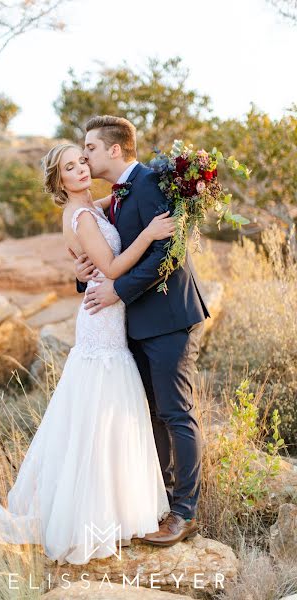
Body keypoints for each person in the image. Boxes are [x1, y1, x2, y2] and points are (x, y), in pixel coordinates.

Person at [0, 142, 179, 565]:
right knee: (99, 410)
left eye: (83, 160)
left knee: (101, 410)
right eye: (70, 167)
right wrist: (150, 232)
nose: (81, 169)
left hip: (106, 315)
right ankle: (91, 513)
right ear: (60, 180)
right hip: (102, 321)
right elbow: (112, 267)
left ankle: (114, 505)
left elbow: (118, 195)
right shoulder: (83, 215)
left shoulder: (92, 205)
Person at [75, 115, 211, 547]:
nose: (84, 155)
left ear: (115, 149)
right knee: (148, 414)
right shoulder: (116, 195)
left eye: (91, 148)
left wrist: (117, 290)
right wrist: (88, 278)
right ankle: (158, 500)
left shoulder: (151, 182)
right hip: (133, 321)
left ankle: (184, 513)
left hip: (168, 317)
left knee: (175, 413)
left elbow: (169, 251)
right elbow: (118, 252)